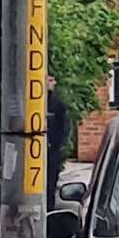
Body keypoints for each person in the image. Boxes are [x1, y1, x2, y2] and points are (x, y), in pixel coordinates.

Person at [46, 75, 71, 210]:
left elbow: (64, 127)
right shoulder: (32, 102)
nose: (54, 83)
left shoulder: (57, 104)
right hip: (37, 150)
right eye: (50, 80)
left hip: (52, 151)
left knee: (50, 183)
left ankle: (49, 210)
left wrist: (58, 144)